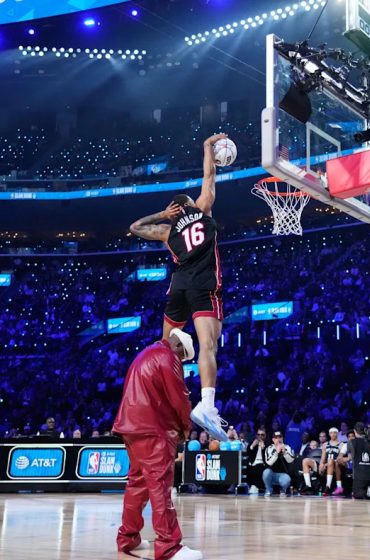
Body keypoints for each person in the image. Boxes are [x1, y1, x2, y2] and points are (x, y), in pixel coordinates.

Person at [129, 133, 229, 442]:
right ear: (189, 204)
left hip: (179, 285)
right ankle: (207, 406)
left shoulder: (166, 231)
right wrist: (206, 149)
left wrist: (162, 215)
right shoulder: (203, 210)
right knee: (208, 346)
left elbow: (134, 228)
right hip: (202, 283)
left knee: (163, 346)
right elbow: (209, 175)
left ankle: (158, 402)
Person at [112, 329, 202, 560]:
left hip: (130, 427)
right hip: (154, 429)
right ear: (181, 349)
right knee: (160, 486)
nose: (181, 361)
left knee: (138, 484)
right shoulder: (169, 357)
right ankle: (169, 548)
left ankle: (128, 538)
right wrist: (185, 427)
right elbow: (179, 397)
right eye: (183, 358)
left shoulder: (146, 353)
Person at [263, 430, 295, 497]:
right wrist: (276, 453)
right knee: (266, 472)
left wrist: (284, 453)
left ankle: (283, 490)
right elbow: (269, 462)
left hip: (282, 475)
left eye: (280, 437)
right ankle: (269, 490)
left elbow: (291, 460)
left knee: (287, 479)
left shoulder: (287, 447)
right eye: (276, 438)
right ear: (273, 440)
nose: (278, 439)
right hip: (271, 474)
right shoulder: (269, 448)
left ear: (282, 438)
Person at [321, 427, 346, 496]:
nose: (333, 434)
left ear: (337, 434)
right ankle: (327, 486)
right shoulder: (325, 444)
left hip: (337, 465)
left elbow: (340, 458)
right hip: (328, 464)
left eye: (335, 432)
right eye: (331, 433)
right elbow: (323, 458)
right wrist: (321, 465)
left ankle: (328, 486)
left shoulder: (342, 444)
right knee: (329, 462)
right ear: (329, 434)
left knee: (331, 461)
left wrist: (329, 463)